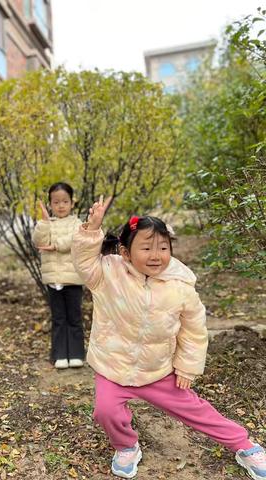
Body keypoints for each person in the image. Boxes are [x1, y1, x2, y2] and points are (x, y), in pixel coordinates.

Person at [71, 195, 266, 480]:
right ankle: (126, 446)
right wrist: (90, 231)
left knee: (196, 411)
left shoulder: (181, 285)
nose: (156, 255)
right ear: (125, 252)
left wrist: (187, 366)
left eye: (163, 247)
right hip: (113, 367)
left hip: (158, 369)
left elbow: (194, 328)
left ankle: (244, 445)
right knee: (105, 410)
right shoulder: (107, 273)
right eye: (146, 247)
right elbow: (83, 262)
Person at [32, 182, 85, 369]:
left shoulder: (77, 223)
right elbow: (39, 241)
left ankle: (77, 354)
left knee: (74, 318)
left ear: (72, 203)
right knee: (58, 318)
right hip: (53, 279)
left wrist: (57, 245)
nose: (61, 206)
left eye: (65, 201)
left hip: (73, 279)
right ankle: (60, 354)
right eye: (56, 202)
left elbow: (77, 240)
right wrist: (44, 223)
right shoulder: (46, 224)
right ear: (50, 204)